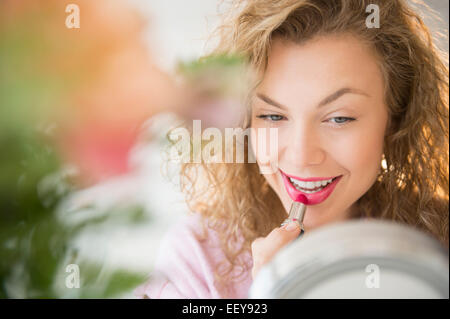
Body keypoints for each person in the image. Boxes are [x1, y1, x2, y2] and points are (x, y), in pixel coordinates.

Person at [135, 0, 449, 298]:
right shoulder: (198, 257)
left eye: (339, 118)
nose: (301, 155)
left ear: (395, 119)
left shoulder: (438, 240)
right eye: (273, 116)